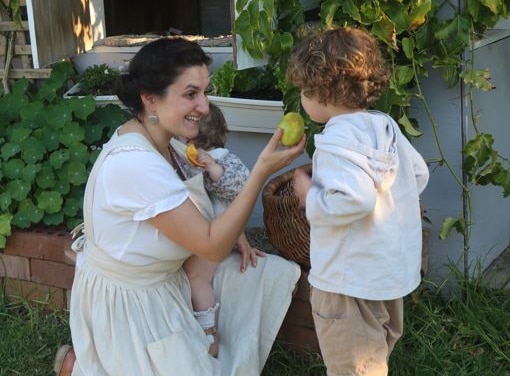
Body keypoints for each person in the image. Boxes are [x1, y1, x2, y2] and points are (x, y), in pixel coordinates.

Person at [54, 36, 305, 376]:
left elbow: (197, 206)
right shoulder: (135, 164)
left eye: (204, 91)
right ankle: (86, 364)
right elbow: (213, 246)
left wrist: (235, 229)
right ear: (150, 99)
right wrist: (260, 171)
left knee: (261, 274)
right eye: (190, 94)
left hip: (168, 280)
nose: (204, 106)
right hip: (132, 304)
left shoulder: (167, 141)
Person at [287, 27, 429, 375]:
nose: (303, 101)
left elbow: (355, 200)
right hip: (384, 273)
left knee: (353, 366)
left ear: (321, 92)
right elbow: (420, 174)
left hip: (345, 282)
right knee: (373, 357)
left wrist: (310, 196)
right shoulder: (384, 126)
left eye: (304, 91)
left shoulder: (335, 140)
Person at [178, 103, 267, 357]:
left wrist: (212, 168)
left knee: (198, 278)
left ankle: (209, 333)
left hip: (217, 235)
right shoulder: (184, 158)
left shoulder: (222, 158)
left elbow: (241, 189)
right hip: (197, 231)